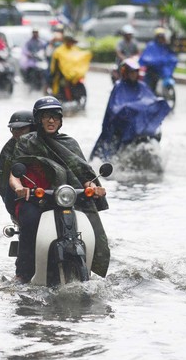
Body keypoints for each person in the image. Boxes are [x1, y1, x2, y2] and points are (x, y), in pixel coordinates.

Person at [8, 96, 110, 283]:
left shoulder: (70, 143)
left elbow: (84, 175)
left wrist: (94, 188)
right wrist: (20, 188)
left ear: (61, 120)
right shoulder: (26, 142)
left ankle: (88, 266)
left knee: (87, 222)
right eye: (46, 116)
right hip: (35, 198)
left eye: (55, 116)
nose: (51, 120)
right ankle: (22, 274)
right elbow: (14, 173)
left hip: (66, 197)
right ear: (39, 120)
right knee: (30, 222)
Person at [91, 58, 170, 161]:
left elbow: (150, 100)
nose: (134, 75)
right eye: (131, 72)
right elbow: (115, 108)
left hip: (140, 126)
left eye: (135, 72)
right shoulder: (119, 87)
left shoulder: (142, 86)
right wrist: (128, 109)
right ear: (125, 73)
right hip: (122, 125)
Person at [0, 110, 36, 216]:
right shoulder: (8, 149)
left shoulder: (45, 143)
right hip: (18, 192)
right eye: (14, 129)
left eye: (22, 129)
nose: (17, 132)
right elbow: (3, 178)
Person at [139, 27, 177, 94]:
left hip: (163, 70)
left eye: (162, 36)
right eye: (159, 36)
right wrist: (154, 61)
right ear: (156, 37)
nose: (161, 38)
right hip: (152, 70)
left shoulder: (165, 46)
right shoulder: (151, 45)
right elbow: (146, 57)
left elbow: (171, 56)